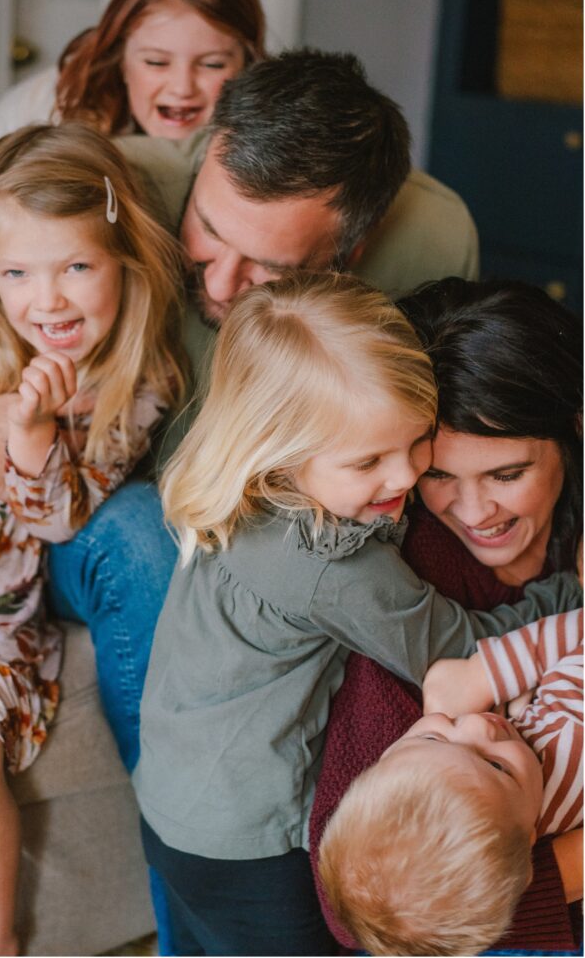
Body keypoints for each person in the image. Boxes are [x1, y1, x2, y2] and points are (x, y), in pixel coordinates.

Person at [0, 51, 481, 772]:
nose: (220, 277)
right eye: (209, 230)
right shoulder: (114, 183)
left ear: (348, 251)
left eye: (268, 269)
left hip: (245, 522)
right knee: (141, 529)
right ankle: (176, 819)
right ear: (210, 147)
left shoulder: (434, 238)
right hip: (71, 510)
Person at [131, 271, 580, 956]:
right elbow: (457, 652)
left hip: (172, 803)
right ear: (280, 451)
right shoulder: (335, 570)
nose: (403, 482)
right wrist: (568, 595)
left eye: (412, 448)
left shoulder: (265, 496)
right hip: (246, 840)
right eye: (373, 461)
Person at [0, 123, 184, 957]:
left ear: (123, 259)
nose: (48, 301)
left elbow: (59, 518)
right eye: (19, 273)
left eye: (75, 268)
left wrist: (28, 434)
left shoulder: (139, 381)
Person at [310, 277, 583, 953]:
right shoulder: (407, 584)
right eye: (438, 476)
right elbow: (352, 911)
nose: (473, 512)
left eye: (506, 474)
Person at [318, 608, 583, 957]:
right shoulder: (570, 741)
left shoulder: (511, 808)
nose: (476, 724)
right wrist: (482, 674)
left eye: (432, 740)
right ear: (529, 840)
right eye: (497, 766)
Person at [0, 0, 264, 152]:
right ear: (121, 59)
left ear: (247, 64)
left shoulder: (268, 139)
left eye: (212, 64)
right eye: (156, 62)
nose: (182, 88)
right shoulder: (34, 116)